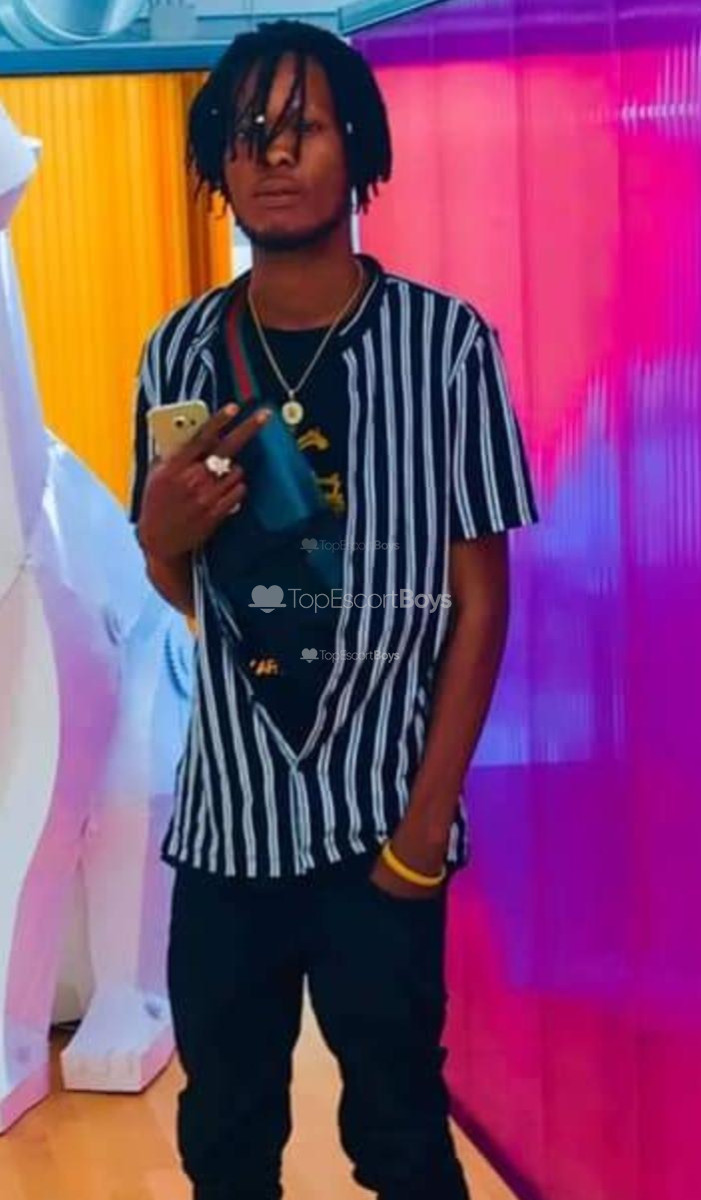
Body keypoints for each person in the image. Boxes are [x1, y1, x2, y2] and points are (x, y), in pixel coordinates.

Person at [129, 19, 539, 1200]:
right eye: (247, 132)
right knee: (224, 1141)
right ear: (218, 162)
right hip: (228, 829)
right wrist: (161, 535)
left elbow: (476, 599)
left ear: (356, 144)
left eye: (302, 127)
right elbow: (188, 595)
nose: (273, 154)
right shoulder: (179, 351)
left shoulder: (445, 347)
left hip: (379, 825)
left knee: (403, 1140)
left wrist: (424, 829)